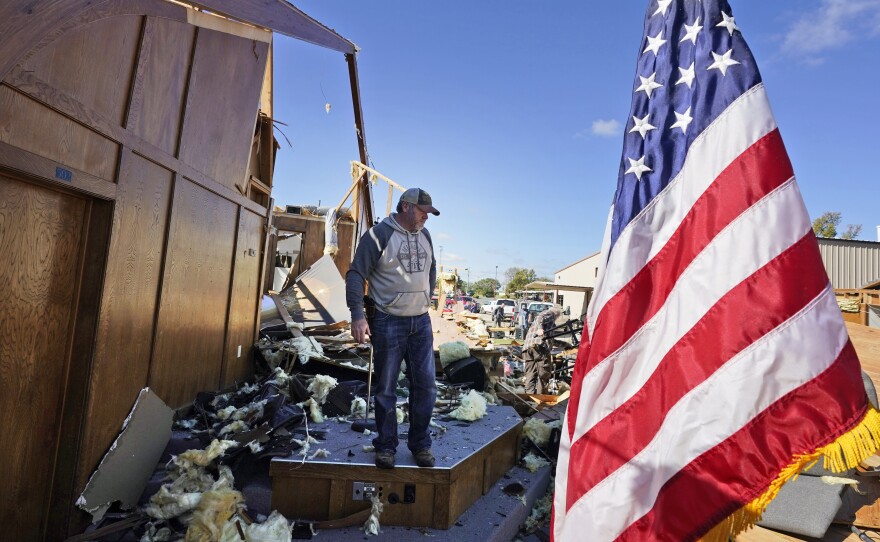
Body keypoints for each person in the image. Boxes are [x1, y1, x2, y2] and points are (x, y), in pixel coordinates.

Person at [345, 188, 439, 470]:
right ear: (407, 207)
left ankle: (420, 444)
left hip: (421, 321)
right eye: (423, 211)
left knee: (426, 387)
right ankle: (386, 446)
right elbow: (356, 274)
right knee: (386, 389)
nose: (426, 217)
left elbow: (431, 269)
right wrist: (358, 316)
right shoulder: (379, 235)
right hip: (388, 320)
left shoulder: (425, 235)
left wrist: (425, 297)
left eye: (429, 213)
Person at [521, 306, 561, 394]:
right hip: (540, 347)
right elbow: (539, 317)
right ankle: (541, 400)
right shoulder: (551, 315)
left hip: (528, 348)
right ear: (556, 315)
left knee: (530, 375)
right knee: (544, 375)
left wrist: (567, 345)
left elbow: (552, 340)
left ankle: (529, 398)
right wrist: (540, 328)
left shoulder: (548, 325)